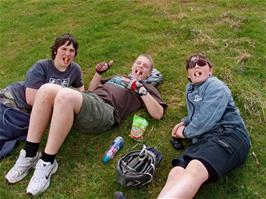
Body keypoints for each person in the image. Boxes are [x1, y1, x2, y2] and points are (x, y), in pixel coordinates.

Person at [5, 54, 167, 196]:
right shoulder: (118, 77)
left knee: (65, 96)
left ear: (149, 73)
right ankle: (29, 153)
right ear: (132, 66)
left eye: (145, 66)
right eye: (138, 63)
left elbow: (158, 114)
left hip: (106, 111)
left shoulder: (146, 87)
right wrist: (98, 73)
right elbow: (91, 89)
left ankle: (48, 161)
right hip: (89, 101)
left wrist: (140, 89)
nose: (140, 66)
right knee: (46, 89)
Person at [158, 54, 250, 199]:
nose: (196, 66)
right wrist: (185, 122)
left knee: (195, 167)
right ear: (188, 74)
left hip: (229, 135)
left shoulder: (216, 86)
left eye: (201, 62)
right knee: (176, 172)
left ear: (210, 70)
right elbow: (198, 114)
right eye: (191, 64)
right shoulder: (191, 89)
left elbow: (206, 119)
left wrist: (185, 132)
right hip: (205, 140)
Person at [0, 33, 84, 159]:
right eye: (64, 49)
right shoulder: (41, 66)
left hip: (31, 110)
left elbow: (81, 89)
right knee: (9, 129)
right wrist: (60, 110)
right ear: (55, 51)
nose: (68, 53)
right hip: (13, 100)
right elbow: (31, 99)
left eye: (72, 50)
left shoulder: (75, 69)